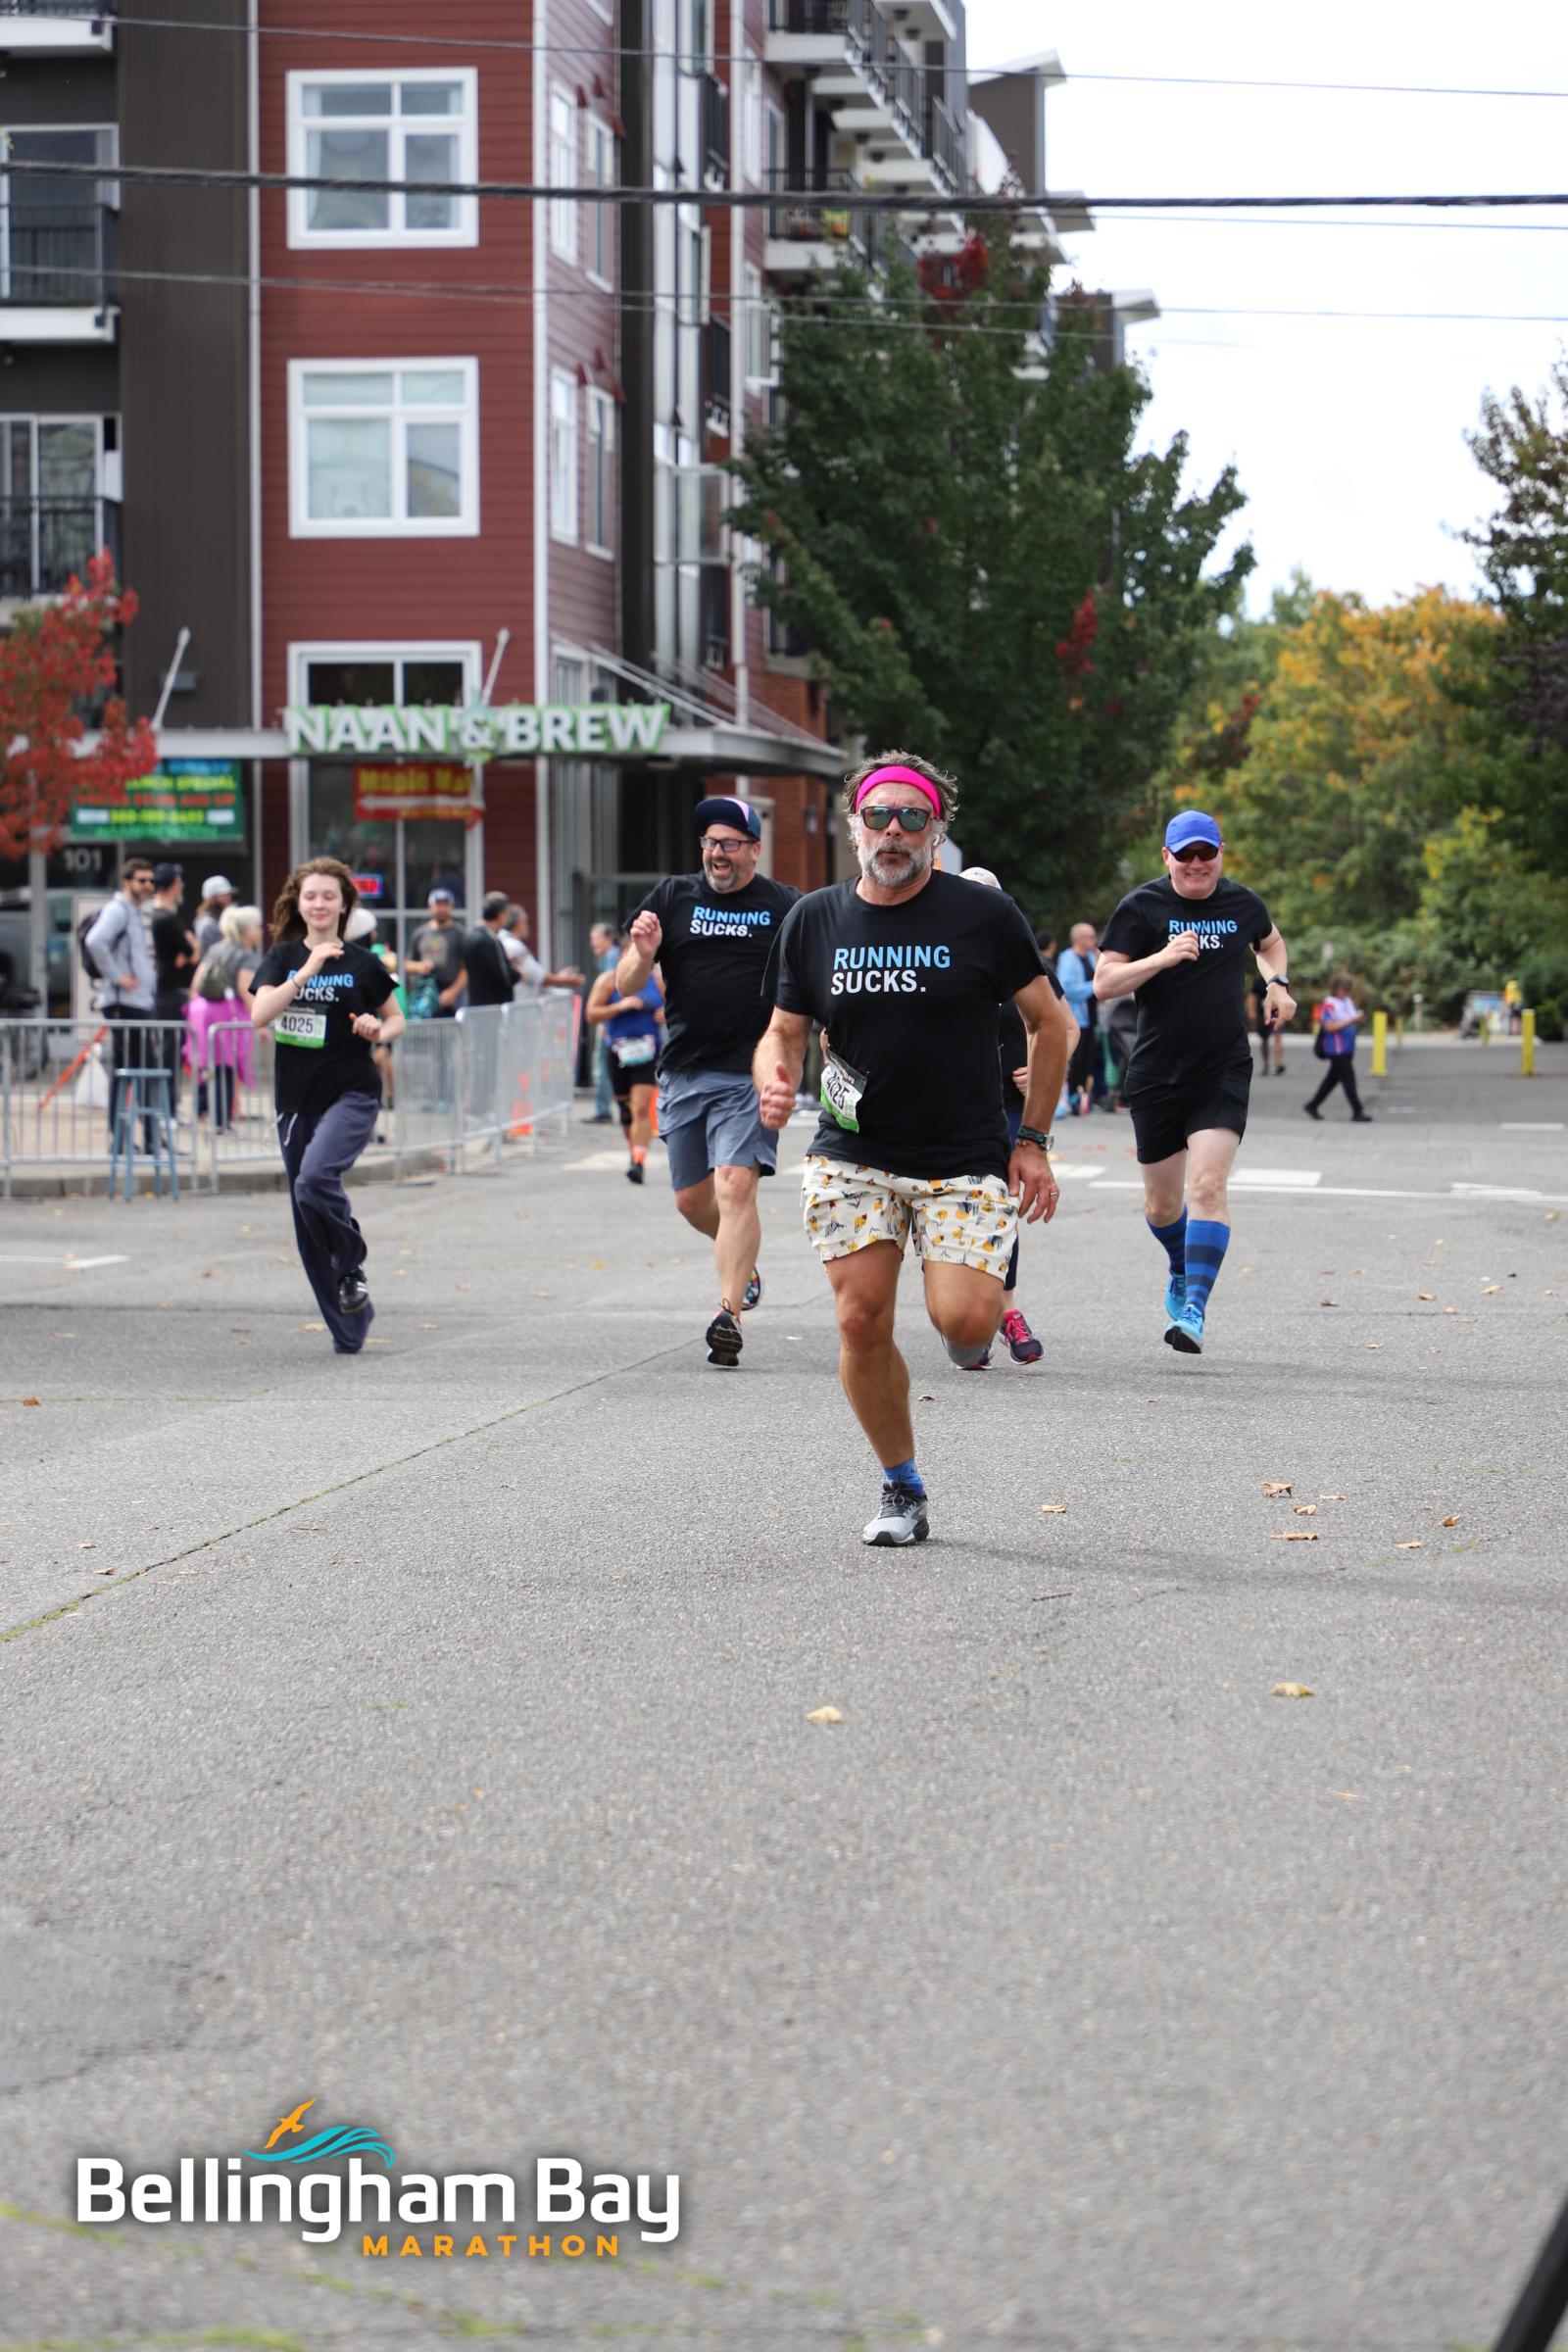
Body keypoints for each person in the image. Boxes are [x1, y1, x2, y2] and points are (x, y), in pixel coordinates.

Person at [755, 754, 1073, 1545]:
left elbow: (1051, 1023)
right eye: (879, 816)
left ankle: (974, 1316)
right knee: (860, 1319)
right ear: (854, 826)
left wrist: (1032, 1141)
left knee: (964, 1326)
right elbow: (783, 1031)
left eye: (912, 817)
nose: (893, 832)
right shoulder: (814, 920)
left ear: (937, 829)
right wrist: (774, 1077)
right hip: (853, 1150)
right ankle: (902, 1485)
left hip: (963, 1154)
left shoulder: (983, 916)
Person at [1095, 808, 1296, 1357]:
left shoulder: (1243, 903)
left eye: (1207, 853)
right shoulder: (1141, 907)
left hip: (1222, 1067)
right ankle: (1181, 1266)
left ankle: (1194, 1311)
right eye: (1185, 854)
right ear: (1167, 857)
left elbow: (1270, 943)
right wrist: (1161, 958)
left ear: (1220, 853)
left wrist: (1277, 982)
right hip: (1157, 1072)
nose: (1197, 863)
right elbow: (1104, 983)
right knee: (1162, 1207)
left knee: (1207, 1188)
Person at [620, 795, 800, 1366]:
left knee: (735, 1186)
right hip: (683, 1070)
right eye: (710, 842)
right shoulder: (673, 897)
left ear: (754, 848)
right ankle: (741, 1260)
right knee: (691, 1201)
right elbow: (626, 983)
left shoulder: (784, 905)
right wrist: (643, 954)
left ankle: (728, 1314)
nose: (717, 853)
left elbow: (812, 978)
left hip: (749, 1072)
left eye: (729, 843)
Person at [251, 858, 404, 1355]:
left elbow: (397, 1018)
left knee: (314, 1180)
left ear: (344, 905)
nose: (319, 904)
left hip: (352, 1092)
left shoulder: (363, 963)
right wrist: (306, 971)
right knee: (306, 1214)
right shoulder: (282, 957)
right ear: (299, 903)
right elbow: (260, 1014)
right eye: (311, 896)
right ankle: (350, 1327)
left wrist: (378, 1030)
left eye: (329, 896)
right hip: (296, 1101)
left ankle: (351, 1263)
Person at [959, 865, 1066, 1366]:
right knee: (951, 1212)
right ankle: (967, 1319)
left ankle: (1005, 1312)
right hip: (945, 1106)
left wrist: (1038, 1074)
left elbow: (1062, 1029)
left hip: (1004, 1105)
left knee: (998, 1204)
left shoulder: (1020, 962)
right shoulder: (941, 956)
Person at [85, 856, 159, 1152]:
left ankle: (148, 1137)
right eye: (142, 880)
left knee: (141, 1069)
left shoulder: (134, 911)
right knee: (130, 1069)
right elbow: (95, 941)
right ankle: (123, 1140)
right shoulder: (118, 910)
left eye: (151, 880)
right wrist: (117, 977)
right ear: (127, 883)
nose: (148, 885)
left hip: (136, 1002)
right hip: (123, 1003)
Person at [585, 960, 663, 1183]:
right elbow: (591, 1014)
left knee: (640, 1107)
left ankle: (638, 1161)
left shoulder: (657, 979)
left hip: (648, 1051)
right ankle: (633, 1150)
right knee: (626, 1109)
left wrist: (666, 1014)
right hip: (618, 1051)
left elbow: (678, 1006)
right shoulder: (609, 980)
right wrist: (620, 1006)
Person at [187, 905, 262, 1132]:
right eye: (258, 926)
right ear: (247, 930)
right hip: (228, 1015)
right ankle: (221, 1120)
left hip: (202, 1011)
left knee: (206, 1063)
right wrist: (261, 1020)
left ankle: (202, 1111)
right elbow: (246, 989)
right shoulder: (245, 955)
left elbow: (197, 982)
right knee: (226, 1067)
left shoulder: (215, 949)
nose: (261, 931)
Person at [148, 861, 196, 1116]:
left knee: (171, 1054)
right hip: (169, 993)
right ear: (174, 885)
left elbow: (190, 952)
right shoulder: (164, 920)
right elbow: (191, 950)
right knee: (169, 1054)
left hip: (168, 991)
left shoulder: (164, 917)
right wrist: (189, 948)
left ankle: (169, 1109)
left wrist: (188, 950)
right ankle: (167, 1110)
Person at [1304, 969, 1372, 1123]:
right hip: (1336, 1048)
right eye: (1344, 990)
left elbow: (1351, 1018)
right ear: (1336, 989)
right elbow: (1329, 1026)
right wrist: (1351, 1020)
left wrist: (1358, 1019)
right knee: (1349, 1079)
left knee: (1332, 1080)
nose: (1347, 993)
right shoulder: (1329, 1004)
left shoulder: (1347, 1002)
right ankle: (1357, 1111)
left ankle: (1312, 1105)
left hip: (1347, 1047)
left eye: (1349, 990)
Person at [1056, 922, 1103, 1114]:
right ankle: (1067, 1100)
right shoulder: (1068, 959)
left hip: (1091, 1019)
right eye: (1091, 937)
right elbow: (1066, 989)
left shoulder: (1091, 957)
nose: (1095, 940)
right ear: (1079, 938)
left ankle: (1079, 1099)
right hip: (1075, 1020)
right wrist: (1095, 985)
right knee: (1074, 1063)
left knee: (1086, 1062)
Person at [499, 903, 585, 998]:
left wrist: (558, 978)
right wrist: (566, 980)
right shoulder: (515, 946)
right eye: (525, 922)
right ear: (517, 923)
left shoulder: (500, 940)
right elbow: (539, 977)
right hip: (518, 1002)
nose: (527, 926)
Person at [405, 888, 466, 1018]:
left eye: (445, 905)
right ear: (430, 906)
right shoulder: (420, 933)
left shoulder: (460, 934)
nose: (441, 909)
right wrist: (419, 966)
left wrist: (453, 992)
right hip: (424, 996)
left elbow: (466, 969)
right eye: (438, 904)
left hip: (451, 1001)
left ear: (451, 907)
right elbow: (407, 964)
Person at [586, 920, 620, 1120]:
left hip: (610, 1019)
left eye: (596, 939)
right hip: (613, 1018)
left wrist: (605, 1023)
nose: (593, 944)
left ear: (609, 938)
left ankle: (602, 1110)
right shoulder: (611, 957)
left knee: (602, 1064)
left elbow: (612, 992)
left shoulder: (612, 958)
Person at [195, 875, 235, 956]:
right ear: (212, 898)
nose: (229, 899)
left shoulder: (219, 919)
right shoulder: (209, 925)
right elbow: (227, 956)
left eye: (229, 895)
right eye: (225, 895)